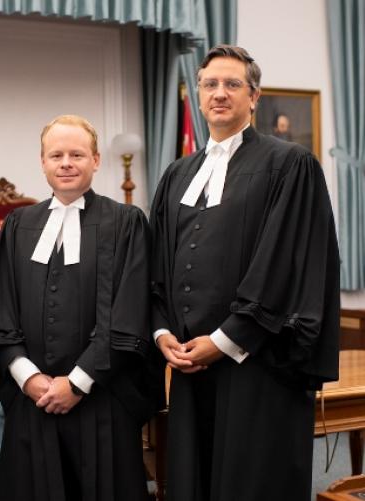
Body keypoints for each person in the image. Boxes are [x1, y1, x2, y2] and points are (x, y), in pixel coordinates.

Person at [150, 44, 340, 501]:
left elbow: (282, 263)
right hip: (190, 365)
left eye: (233, 84)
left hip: (258, 365)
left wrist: (223, 341)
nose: (220, 93)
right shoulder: (177, 173)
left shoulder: (289, 165)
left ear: (254, 97)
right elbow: (156, 264)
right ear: (198, 95)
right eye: (210, 84)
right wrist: (161, 333)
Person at [0, 115, 160, 501]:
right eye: (56, 154)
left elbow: (129, 314)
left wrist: (77, 382)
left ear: (95, 160)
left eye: (77, 154)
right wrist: (27, 377)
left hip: (102, 401)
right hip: (33, 402)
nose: (66, 162)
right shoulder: (18, 224)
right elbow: (0, 310)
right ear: (42, 162)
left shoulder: (126, 222)